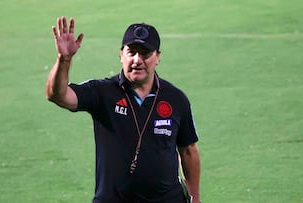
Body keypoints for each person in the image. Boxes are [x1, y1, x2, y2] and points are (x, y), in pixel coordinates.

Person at [45, 16, 201, 203]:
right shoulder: (102, 92)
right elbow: (58, 95)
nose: (137, 60)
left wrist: (195, 198)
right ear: (121, 54)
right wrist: (64, 60)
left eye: (145, 53)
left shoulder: (176, 99)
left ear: (157, 57)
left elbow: (188, 150)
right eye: (131, 52)